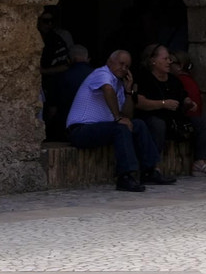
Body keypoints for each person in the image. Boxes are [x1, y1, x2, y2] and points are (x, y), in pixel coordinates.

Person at [65, 50, 173, 193]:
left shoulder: (119, 84)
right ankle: (125, 177)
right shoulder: (102, 73)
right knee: (119, 128)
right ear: (110, 62)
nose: (123, 68)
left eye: (127, 66)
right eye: (121, 64)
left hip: (101, 129)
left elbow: (127, 115)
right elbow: (108, 90)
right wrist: (117, 117)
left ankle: (149, 171)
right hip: (80, 130)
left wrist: (128, 91)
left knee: (139, 124)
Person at [134, 44, 206, 177]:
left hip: (174, 120)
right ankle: (151, 167)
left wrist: (188, 102)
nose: (169, 62)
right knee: (157, 125)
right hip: (153, 118)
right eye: (165, 59)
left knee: (202, 122)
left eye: (169, 59)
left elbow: (182, 95)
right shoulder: (143, 79)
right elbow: (138, 103)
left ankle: (199, 163)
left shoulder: (174, 80)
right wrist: (163, 104)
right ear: (153, 61)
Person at [170, 50, 204, 119]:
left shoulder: (181, 80)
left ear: (180, 66)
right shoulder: (188, 79)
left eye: (171, 62)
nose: (168, 63)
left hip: (190, 118)